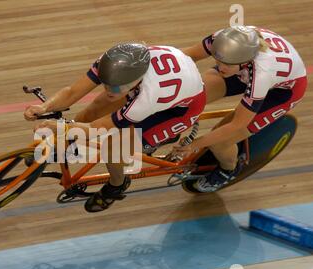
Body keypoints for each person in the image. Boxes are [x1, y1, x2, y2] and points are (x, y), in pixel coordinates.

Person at [25, 42, 206, 212]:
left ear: (135, 81)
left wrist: (62, 127)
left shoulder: (147, 96)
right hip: (162, 85)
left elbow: (98, 128)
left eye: (117, 88)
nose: (110, 91)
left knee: (113, 147)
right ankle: (72, 148)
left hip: (178, 111)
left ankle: (117, 184)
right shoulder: (112, 62)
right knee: (93, 110)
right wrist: (45, 107)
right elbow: (72, 92)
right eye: (106, 84)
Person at [174, 25, 307, 192]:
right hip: (242, 71)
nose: (220, 67)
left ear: (245, 60)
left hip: (283, 91)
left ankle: (229, 170)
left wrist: (195, 144)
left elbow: (236, 125)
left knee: (221, 142)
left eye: (226, 64)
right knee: (190, 94)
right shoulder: (223, 39)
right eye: (217, 61)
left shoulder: (262, 73)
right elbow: (188, 55)